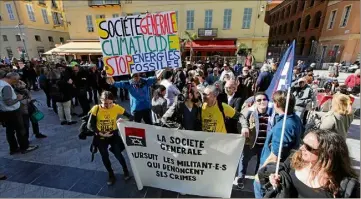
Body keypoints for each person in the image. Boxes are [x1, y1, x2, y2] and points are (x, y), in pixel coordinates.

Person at [266, 129, 359, 198]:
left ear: (326, 154)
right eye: (303, 143)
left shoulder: (345, 186)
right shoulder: (294, 159)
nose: (302, 148)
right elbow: (277, 176)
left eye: (308, 147)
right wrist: (275, 179)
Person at [253, 90, 303, 198]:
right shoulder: (295, 119)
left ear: (277, 104)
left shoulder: (284, 126)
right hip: (282, 166)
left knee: (260, 189)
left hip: (273, 169)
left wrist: (260, 174)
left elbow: (275, 156)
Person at [87, 91, 132, 185]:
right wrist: (101, 134)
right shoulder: (96, 109)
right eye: (105, 103)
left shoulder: (116, 107)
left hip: (113, 135)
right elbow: (90, 125)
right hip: (100, 136)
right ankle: (111, 174)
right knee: (104, 156)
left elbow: (131, 117)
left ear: (113, 101)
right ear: (101, 101)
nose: (108, 106)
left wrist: (124, 120)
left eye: (110, 103)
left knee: (118, 154)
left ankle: (125, 170)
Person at [235, 92, 271, 190]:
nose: (262, 102)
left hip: (264, 145)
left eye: (264, 99)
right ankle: (240, 178)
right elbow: (240, 120)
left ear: (268, 101)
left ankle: (257, 180)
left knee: (261, 163)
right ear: (255, 102)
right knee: (244, 160)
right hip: (251, 143)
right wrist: (245, 128)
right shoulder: (250, 112)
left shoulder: (272, 114)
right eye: (259, 100)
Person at [0, 72, 39, 155]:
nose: (17, 82)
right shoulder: (6, 86)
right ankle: (24, 147)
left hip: (5, 111)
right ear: (13, 79)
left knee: (10, 130)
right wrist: (18, 98)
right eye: (16, 80)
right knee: (20, 130)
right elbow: (9, 102)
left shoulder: (1, 83)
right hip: (12, 111)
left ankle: (13, 148)